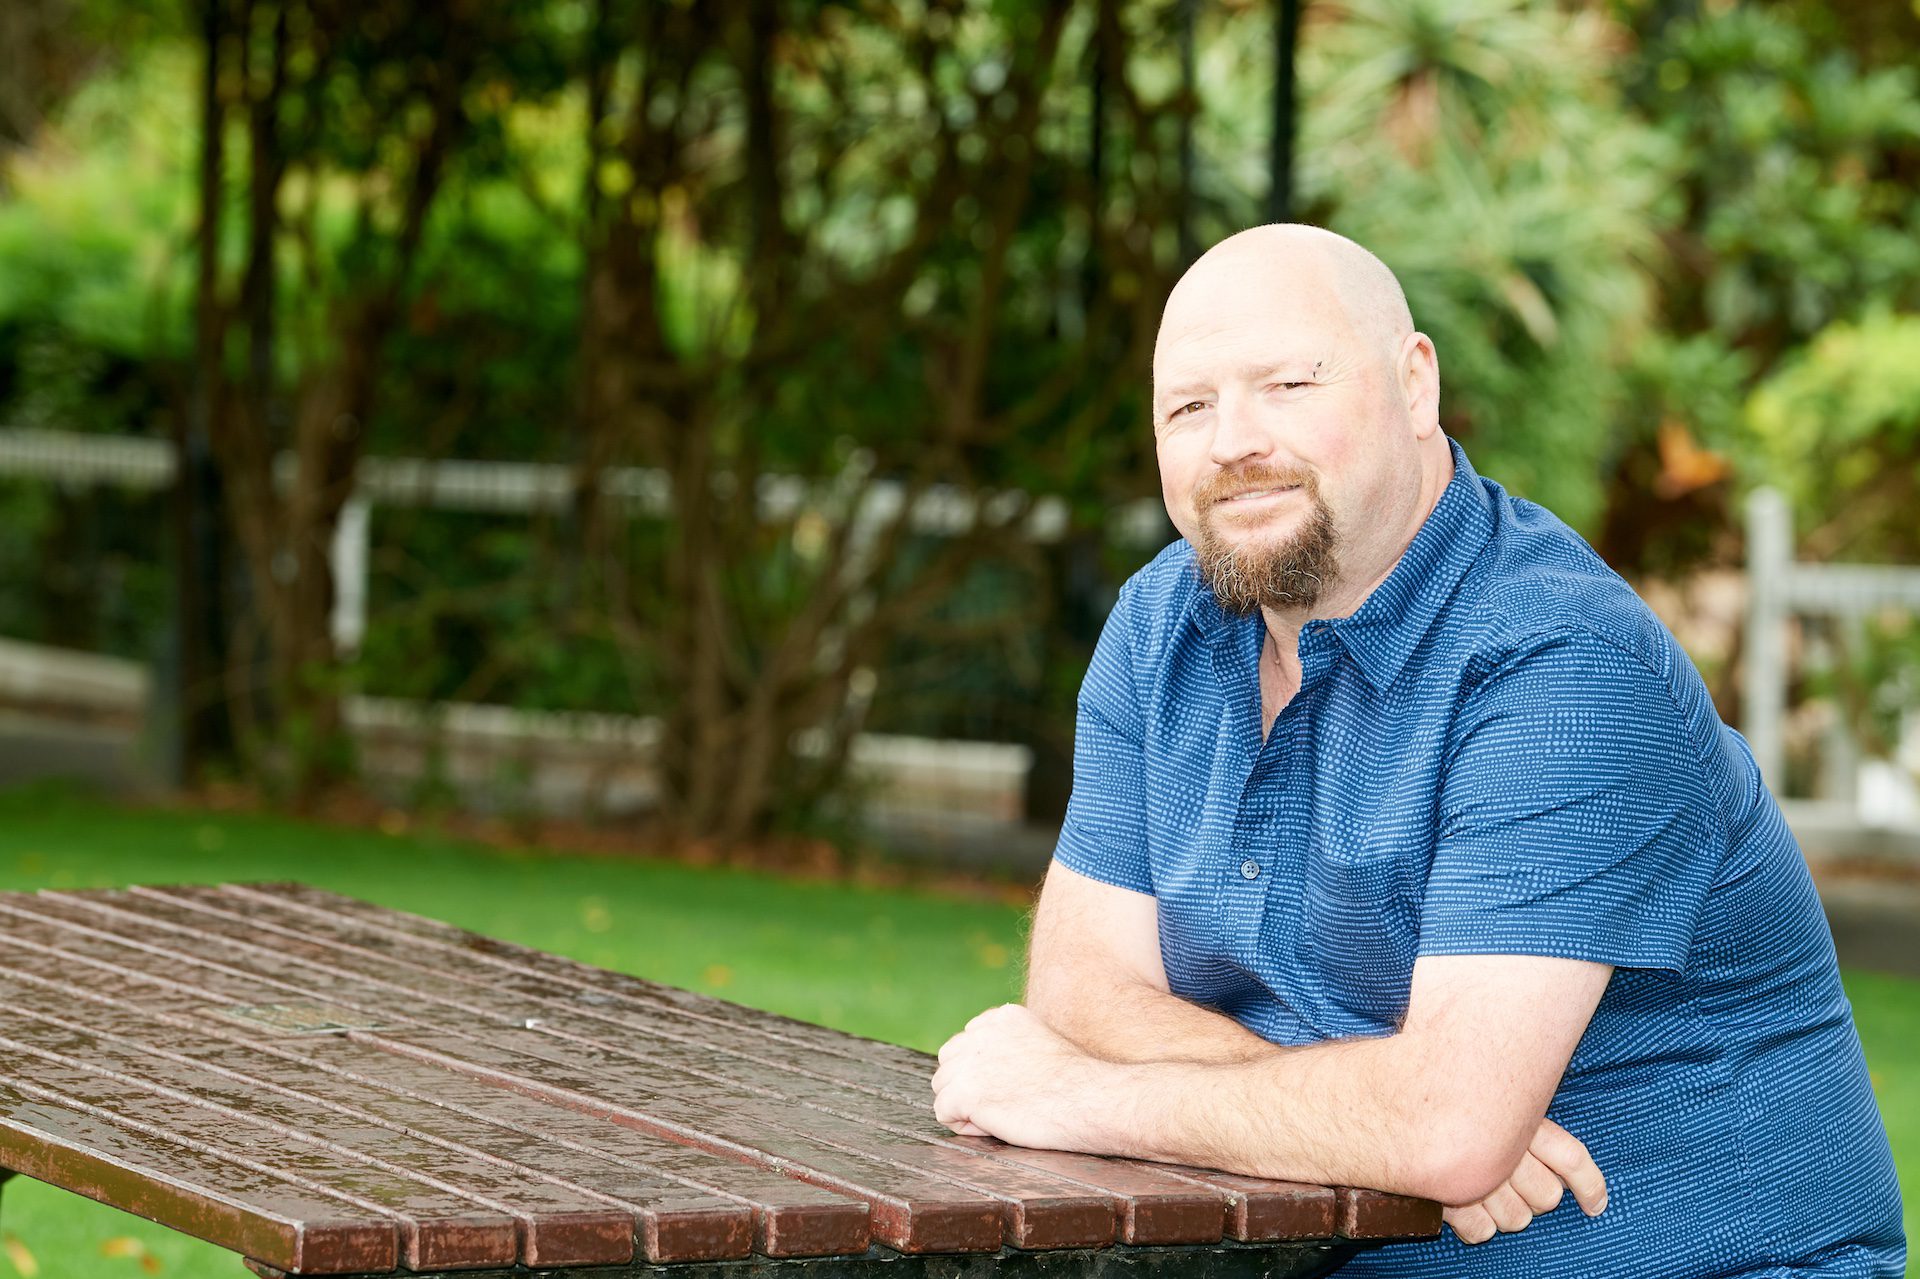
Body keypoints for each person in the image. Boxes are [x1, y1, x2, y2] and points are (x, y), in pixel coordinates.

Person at [928, 224, 1905, 1277]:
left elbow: (1442, 1132)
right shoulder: (1163, 623)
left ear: (1415, 385)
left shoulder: (1562, 664)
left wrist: (1068, 1093)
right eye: (1188, 406)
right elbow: (1080, 980)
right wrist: (1363, 1111)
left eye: (1290, 383)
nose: (1234, 441)